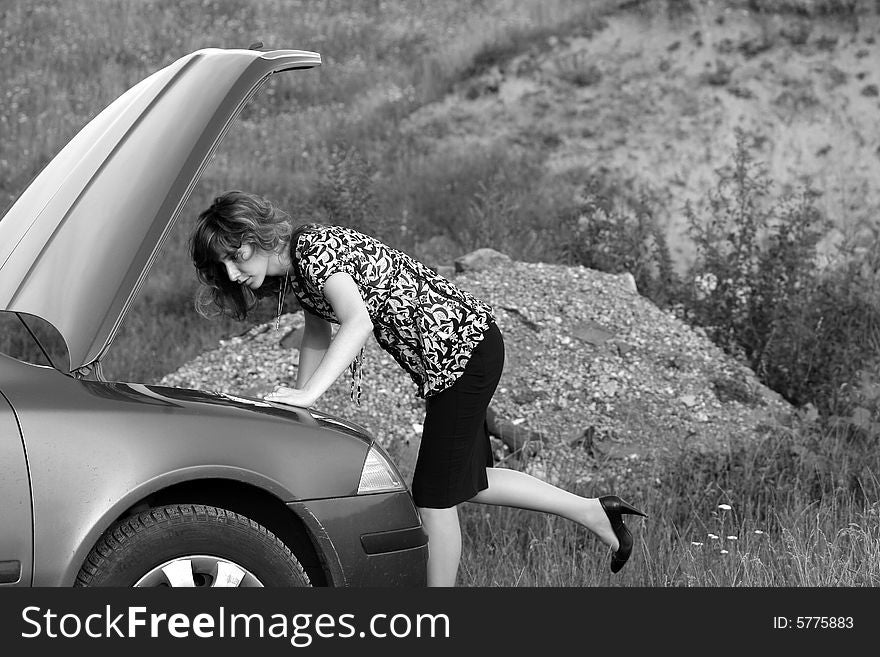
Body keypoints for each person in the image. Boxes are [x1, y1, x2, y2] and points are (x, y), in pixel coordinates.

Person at [190, 190, 647, 586]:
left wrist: (308, 396)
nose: (232, 274)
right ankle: (593, 511)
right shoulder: (298, 273)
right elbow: (317, 334)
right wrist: (296, 402)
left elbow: (357, 321)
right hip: (456, 359)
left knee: (433, 496)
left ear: (257, 234)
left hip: (464, 352)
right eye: (222, 266)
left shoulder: (313, 249)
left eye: (237, 255)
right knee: (470, 484)